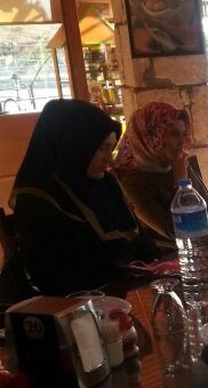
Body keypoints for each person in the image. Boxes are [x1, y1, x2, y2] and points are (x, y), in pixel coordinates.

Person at [10, 99, 156, 295]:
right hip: (81, 303)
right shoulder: (38, 200)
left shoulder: (105, 184)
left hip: (130, 290)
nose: (109, 159)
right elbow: (62, 277)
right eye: (102, 148)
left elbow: (141, 243)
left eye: (111, 148)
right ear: (74, 145)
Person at [113, 101, 208, 250]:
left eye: (183, 134)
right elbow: (175, 230)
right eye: (174, 134)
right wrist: (181, 184)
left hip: (200, 249)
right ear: (152, 136)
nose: (182, 142)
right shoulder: (131, 180)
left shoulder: (176, 163)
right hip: (165, 255)